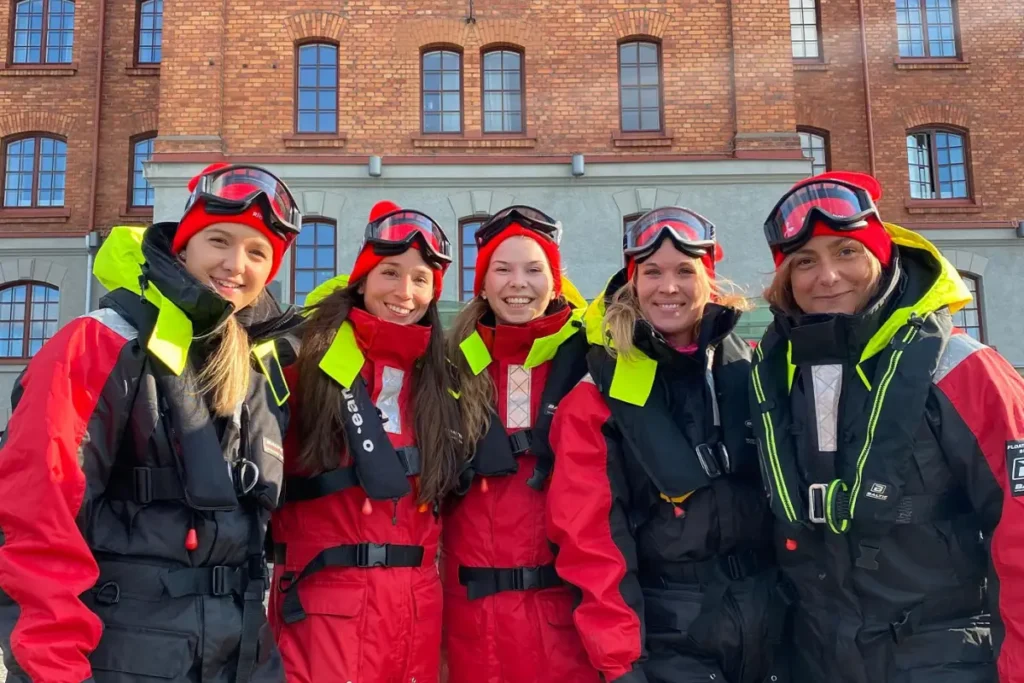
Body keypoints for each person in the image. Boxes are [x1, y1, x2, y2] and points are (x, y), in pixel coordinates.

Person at [0, 162, 303, 682]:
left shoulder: (260, 372)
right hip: (121, 659)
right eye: (219, 241)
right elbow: (37, 518)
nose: (236, 264)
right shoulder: (100, 344)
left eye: (257, 253)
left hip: (242, 661)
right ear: (183, 247)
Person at [751, 170, 1024, 682]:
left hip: (941, 659)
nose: (828, 277)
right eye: (805, 261)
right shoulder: (778, 374)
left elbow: (1019, 523)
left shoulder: (961, 367)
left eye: (847, 252)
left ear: (881, 257)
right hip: (820, 660)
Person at [546, 207, 784, 683]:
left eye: (684, 271)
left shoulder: (751, 368)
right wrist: (621, 663)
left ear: (708, 280)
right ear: (633, 283)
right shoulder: (596, 398)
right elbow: (590, 543)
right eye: (652, 272)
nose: (668, 287)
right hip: (668, 638)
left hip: (772, 629)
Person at [268, 201, 464, 683]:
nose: (404, 292)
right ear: (361, 280)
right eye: (390, 273)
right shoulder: (301, 362)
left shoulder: (440, 379)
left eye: (420, 280)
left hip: (416, 616)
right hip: (321, 614)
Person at [443, 206, 598, 683]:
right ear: (482, 284)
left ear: (554, 282)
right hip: (468, 626)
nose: (518, 283)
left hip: (564, 629)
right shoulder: (445, 365)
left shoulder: (593, 361)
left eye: (534, 270)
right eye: (502, 269)